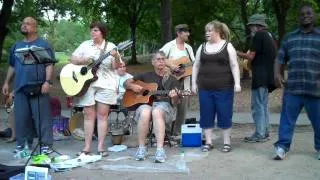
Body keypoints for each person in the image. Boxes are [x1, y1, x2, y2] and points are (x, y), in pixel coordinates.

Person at [273, 4, 320, 160]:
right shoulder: (290, 37)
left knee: (319, 122)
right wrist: (277, 74)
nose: (305, 15)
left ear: (314, 16)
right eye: (302, 14)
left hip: (315, 90)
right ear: (298, 17)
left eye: (309, 13)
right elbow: (279, 58)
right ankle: (282, 147)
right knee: (287, 120)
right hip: (293, 88)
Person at [2, 17, 55, 154]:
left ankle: (45, 145)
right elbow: (12, 66)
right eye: (23, 23)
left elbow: (49, 64)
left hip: (38, 86)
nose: (24, 26)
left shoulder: (43, 44)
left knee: (42, 118)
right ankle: (22, 144)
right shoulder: (17, 45)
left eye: (27, 24)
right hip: (20, 87)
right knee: (21, 117)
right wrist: (7, 82)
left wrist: (47, 81)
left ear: (35, 28)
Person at [69, 21, 122, 157]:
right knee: (88, 115)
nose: (93, 32)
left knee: (102, 116)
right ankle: (86, 148)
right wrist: (84, 60)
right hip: (88, 83)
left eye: (96, 30)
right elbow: (72, 59)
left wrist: (115, 56)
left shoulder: (111, 47)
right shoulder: (85, 45)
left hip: (107, 84)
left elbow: (116, 67)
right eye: (92, 29)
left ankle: (101, 147)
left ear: (102, 32)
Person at [192, 20, 241, 153]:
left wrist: (237, 83)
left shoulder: (228, 46)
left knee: (224, 114)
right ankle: (208, 142)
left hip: (224, 88)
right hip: (205, 88)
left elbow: (234, 65)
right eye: (206, 31)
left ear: (218, 32)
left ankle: (227, 143)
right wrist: (193, 83)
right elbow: (196, 65)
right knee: (206, 114)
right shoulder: (202, 47)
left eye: (210, 30)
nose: (207, 33)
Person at [125, 51, 179, 163]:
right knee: (145, 112)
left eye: (163, 59)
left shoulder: (172, 79)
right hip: (146, 105)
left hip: (164, 106)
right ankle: (141, 148)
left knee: (157, 111)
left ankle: (160, 150)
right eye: (158, 59)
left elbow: (176, 102)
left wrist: (174, 96)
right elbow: (125, 83)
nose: (161, 61)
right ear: (153, 62)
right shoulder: (145, 75)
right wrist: (132, 86)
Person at [237, 14, 276, 142]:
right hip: (268, 76)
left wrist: (236, 52)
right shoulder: (270, 36)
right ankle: (265, 132)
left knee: (257, 106)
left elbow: (251, 56)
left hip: (260, 76)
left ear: (256, 26)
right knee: (263, 105)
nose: (250, 28)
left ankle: (260, 134)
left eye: (251, 26)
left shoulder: (259, 36)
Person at [160, 24, 195, 135]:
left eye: (188, 32)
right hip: (170, 79)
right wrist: (171, 66)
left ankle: (177, 132)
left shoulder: (188, 48)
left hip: (185, 81)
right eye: (186, 32)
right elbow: (159, 58)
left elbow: (193, 63)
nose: (188, 34)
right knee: (169, 104)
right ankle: (166, 131)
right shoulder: (170, 46)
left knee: (183, 107)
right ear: (179, 33)